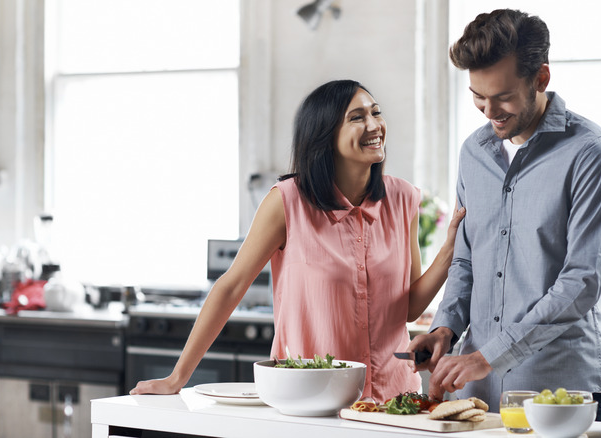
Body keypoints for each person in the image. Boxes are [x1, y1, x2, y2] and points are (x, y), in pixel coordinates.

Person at [130, 79, 466, 403]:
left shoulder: (402, 198)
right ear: (324, 135)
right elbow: (231, 286)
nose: (374, 125)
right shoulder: (287, 202)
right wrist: (177, 378)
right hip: (310, 400)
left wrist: (450, 250)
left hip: (394, 400)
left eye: (376, 113)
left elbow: (407, 308)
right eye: (357, 117)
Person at [406, 9, 601, 422]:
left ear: (541, 78)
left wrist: (489, 355)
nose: (489, 111)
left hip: (563, 392)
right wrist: (446, 328)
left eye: (503, 96)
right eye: (477, 95)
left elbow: (582, 283)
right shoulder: (474, 153)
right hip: (478, 392)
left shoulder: (593, 155)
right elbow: (467, 259)